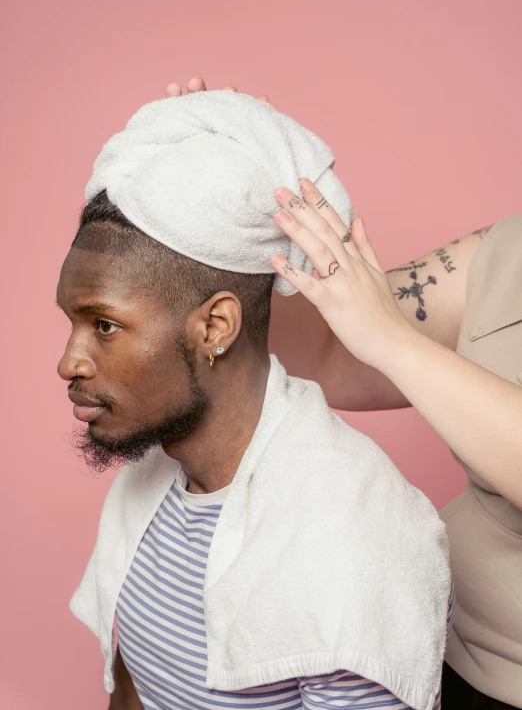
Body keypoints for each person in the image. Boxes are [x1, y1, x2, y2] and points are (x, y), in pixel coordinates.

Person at [60, 91, 451, 710]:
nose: (68, 363)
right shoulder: (152, 485)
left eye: (104, 325)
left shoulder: (352, 539)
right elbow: (134, 683)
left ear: (215, 327)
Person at [164, 79, 522, 709]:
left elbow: (380, 338)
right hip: (435, 656)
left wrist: (393, 340)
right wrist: (241, 204)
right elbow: (335, 348)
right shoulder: (509, 254)